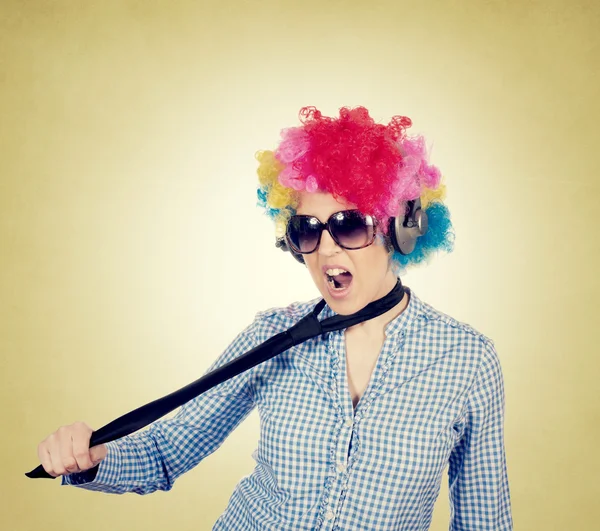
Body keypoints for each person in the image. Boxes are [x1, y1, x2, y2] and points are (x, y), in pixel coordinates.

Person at [37, 106, 513, 530]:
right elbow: (166, 452)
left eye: (349, 225)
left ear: (402, 230)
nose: (326, 248)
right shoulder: (271, 335)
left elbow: (483, 520)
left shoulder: (466, 360)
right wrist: (93, 457)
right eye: (307, 230)